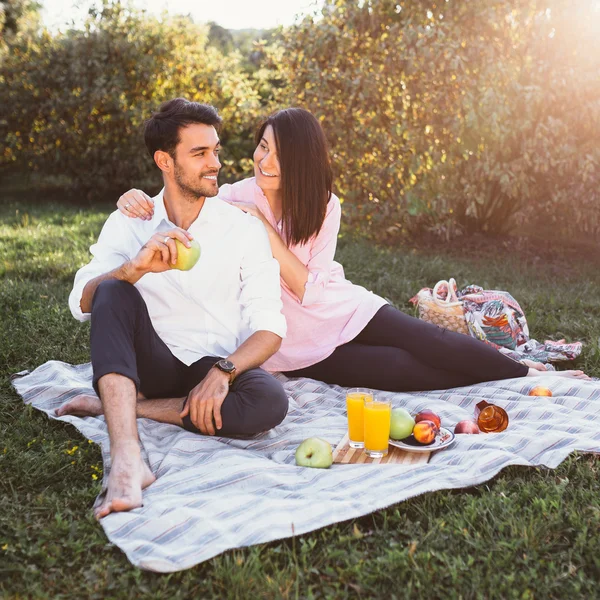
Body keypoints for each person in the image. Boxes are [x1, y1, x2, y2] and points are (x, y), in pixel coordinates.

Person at [117, 107, 589, 391]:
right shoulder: (235, 196)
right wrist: (134, 197)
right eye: (262, 146)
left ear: (302, 161)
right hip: (295, 344)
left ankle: (530, 375)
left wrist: (264, 229)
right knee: (405, 370)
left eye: (279, 153)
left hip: (343, 307)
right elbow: (182, 193)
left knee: (435, 340)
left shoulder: (324, 205)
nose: (265, 160)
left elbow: (309, 288)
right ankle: (509, 373)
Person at [57, 98, 289, 519]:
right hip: (148, 362)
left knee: (270, 401)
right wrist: (134, 269)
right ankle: (128, 458)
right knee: (112, 290)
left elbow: (270, 326)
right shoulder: (131, 220)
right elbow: (80, 302)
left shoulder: (242, 228)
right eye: (199, 153)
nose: (214, 163)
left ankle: (119, 404)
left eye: (215, 150)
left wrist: (223, 372)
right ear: (165, 160)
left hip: (209, 363)